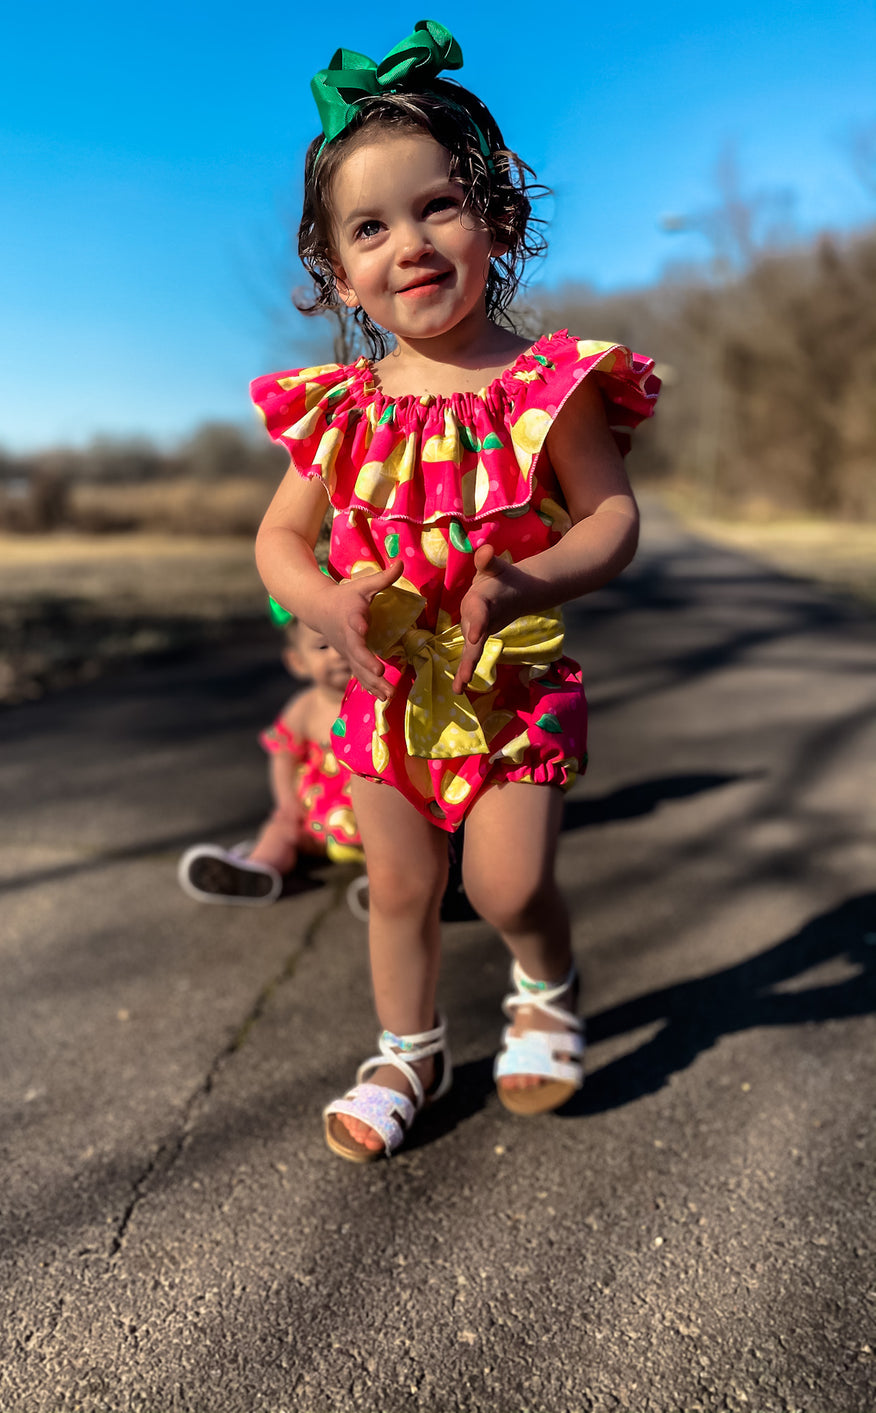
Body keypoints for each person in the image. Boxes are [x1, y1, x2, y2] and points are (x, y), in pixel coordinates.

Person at [252, 19, 660, 1161]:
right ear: (338, 269)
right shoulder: (337, 409)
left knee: (510, 879)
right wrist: (327, 603)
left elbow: (615, 519)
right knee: (399, 885)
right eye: (370, 226)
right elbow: (281, 542)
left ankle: (545, 979)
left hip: (506, 688)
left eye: (437, 206)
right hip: (384, 696)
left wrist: (528, 571)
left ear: (497, 219)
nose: (410, 243)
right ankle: (409, 1047)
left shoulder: (549, 385)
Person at [177, 608, 367, 911]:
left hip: (370, 822)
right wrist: (287, 804)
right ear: (298, 662)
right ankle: (259, 868)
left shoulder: (378, 700)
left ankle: (387, 890)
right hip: (310, 824)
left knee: (398, 845)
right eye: (322, 646)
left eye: (347, 641)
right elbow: (283, 758)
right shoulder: (304, 708)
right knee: (279, 831)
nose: (337, 655)